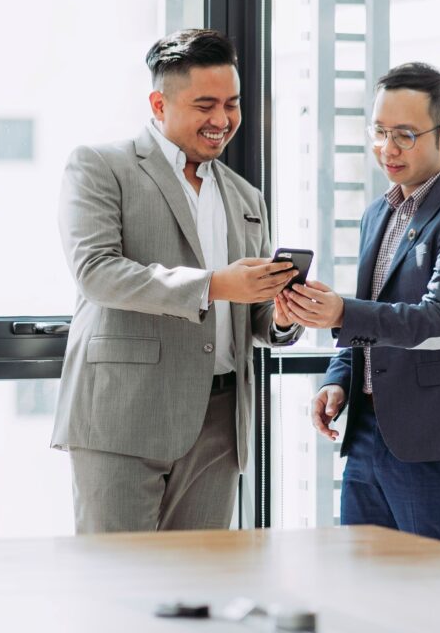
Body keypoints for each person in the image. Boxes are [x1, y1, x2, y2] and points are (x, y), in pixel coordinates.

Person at [51, 28, 302, 534]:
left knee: (200, 589)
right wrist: (212, 285)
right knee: (119, 584)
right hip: (124, 413)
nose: (223, 120)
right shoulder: (101, 167)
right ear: (158, 103)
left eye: (231, 104)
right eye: (205, 104)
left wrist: (279, 314)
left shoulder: (247, 197)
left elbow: (247, 314)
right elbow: (97, 273)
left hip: (221, 423)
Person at [280, 62, 440, 541]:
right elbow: (372, 316)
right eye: (379, 131)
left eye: (404, 134)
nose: (387, 148)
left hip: (435, 444)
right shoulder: (379, 213)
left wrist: (341, 312)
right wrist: (339, 380)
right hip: (366, 437)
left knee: (437, 604)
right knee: (367, 599)